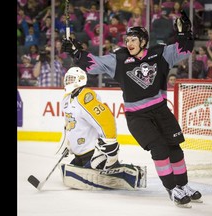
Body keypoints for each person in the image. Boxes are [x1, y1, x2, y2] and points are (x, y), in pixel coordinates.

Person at [61, 10, 202, 207]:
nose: (129, 43)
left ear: (143, 41)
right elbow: (94, 65)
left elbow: (184, 50)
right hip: (138, 116)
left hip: (160, 110)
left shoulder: (158, 54)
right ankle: (172, 189)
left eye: (133, 39)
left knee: (175, 149)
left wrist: (184, 34)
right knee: (160, 148)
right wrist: (77, 52)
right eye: (127, 39)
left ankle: (183, 185)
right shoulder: (119, 59)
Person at [59, 66, 146, 190]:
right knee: (71, 169)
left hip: (90, 152)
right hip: (79, 153)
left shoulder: (85, 96)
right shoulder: (66, 99)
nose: (68, 82)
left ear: (81, 79)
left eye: (71, 79)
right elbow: (69, 123)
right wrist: (68, 142)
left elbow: (105, 119)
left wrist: (109, 141)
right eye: (67, 79)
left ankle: (123, 171)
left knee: (90, 167)